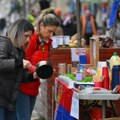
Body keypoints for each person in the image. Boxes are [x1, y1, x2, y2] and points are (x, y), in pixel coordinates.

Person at [16, 13, 60, 120]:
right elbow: (24, 62)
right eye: (49, 31)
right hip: (23, 86)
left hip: (35, 86)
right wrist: (38, 70)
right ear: (41, 25)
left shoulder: (48, 42)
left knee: (28, 116)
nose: (51, 34)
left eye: (53, 32)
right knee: (23, 117)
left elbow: (44, 61)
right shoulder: (30, 40)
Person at [0, 19, 37, 120]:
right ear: (17, 32)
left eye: (30, 36)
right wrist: (20, 63)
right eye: (26, 36)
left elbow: (20, 75)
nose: (28, 40)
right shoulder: (4, 42)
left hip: (10, 101)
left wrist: (33, 75)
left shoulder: (20, 50)